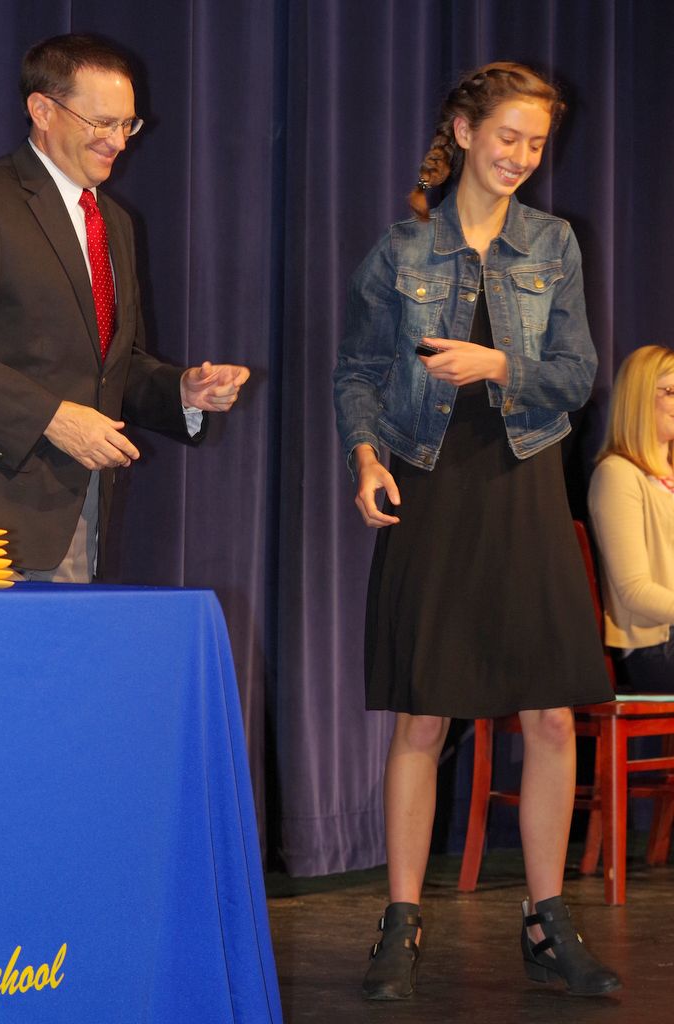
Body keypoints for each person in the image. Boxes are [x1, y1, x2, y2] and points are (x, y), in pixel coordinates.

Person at [333, 62, 620, 1000]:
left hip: (526, 481)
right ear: (462, 130)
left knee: (551, 713)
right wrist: (366, 459)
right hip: (431, 481)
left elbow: (576, 375)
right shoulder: (403, 247)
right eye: (507, 136)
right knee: (425, 713)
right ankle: (400, 922)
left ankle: (547, 921)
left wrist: (500, 364)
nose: (522, 156)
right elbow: (357, 372)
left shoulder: (553, 242)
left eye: (537, 143)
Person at [0, 34, 249, 582]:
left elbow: (110, 365)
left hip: (80, 516)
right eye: (102, 122)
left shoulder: (114, 221)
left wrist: (181, 391)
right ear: (42, 110)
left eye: (127, 124)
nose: (118, 142)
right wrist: (52, 417)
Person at [589, 344, 674, 691]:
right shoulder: (618, 474)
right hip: (655, 645)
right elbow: (635, 591)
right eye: (671, 391)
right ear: (640, 397)